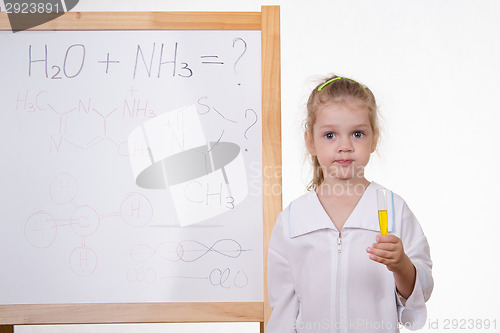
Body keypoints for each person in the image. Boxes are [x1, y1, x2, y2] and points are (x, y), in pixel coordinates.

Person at [267, 75, 433, 332]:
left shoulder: (392, 208)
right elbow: (283, 311)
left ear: (373, 139)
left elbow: (423, 288)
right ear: (310, 141)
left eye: (357, 134)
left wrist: (401, 265)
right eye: (330, 135)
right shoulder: (292, 219)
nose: (345, 146)